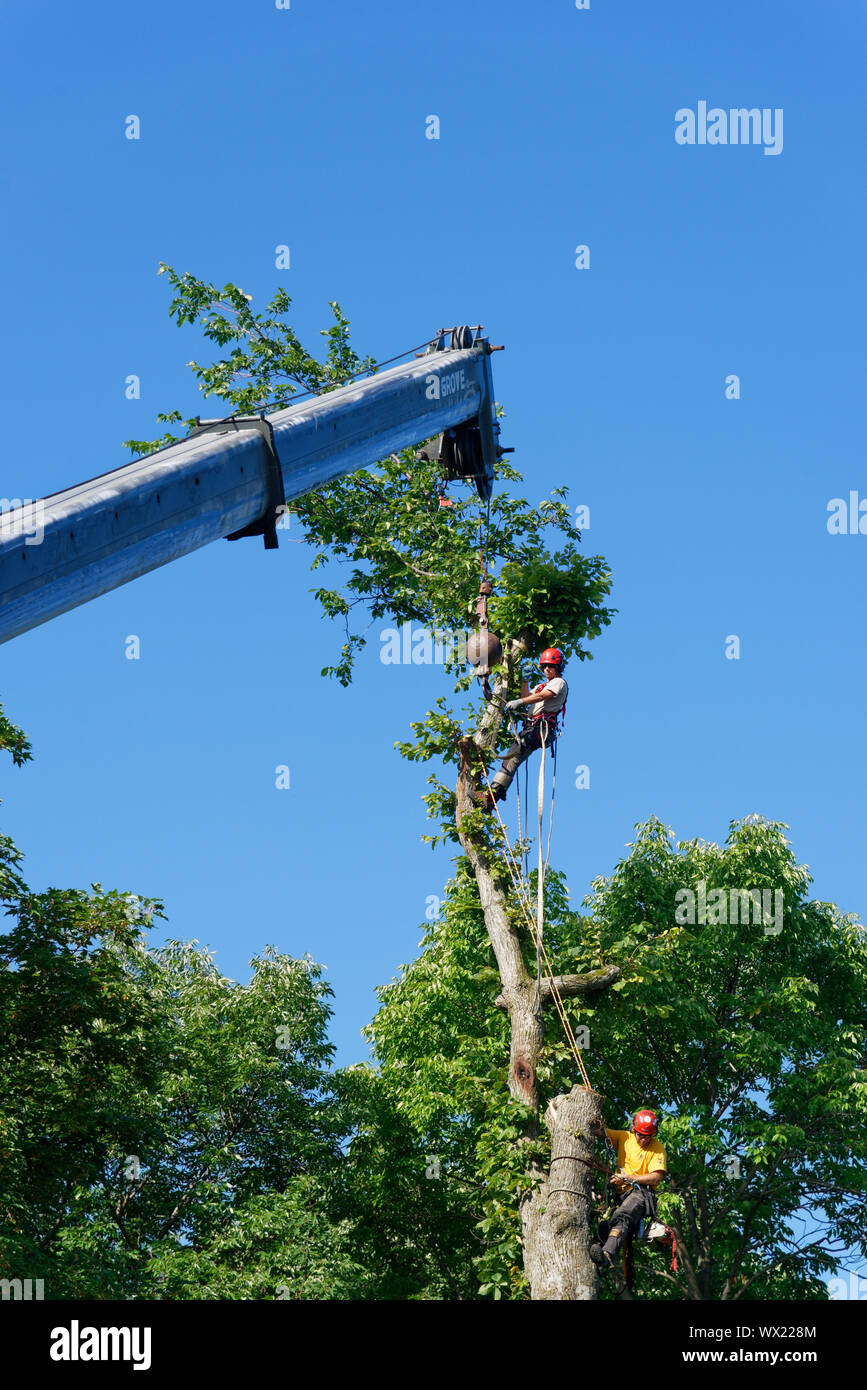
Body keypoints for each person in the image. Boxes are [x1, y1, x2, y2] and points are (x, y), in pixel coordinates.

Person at [477, 648, 568, 810]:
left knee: (513, 758)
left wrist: (519, 702)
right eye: (545, 666)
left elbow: (541, 697)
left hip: (540, 729)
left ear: (558, 667)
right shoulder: (541, 685)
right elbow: (529, 697)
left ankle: (491, 797)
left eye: (551, 666)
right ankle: (493, 794)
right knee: (509, 759)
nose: (547, 669)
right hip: (531, 728)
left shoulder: (559, 683)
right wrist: (525, 682)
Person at [590, 1109, 666, 1276]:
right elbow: (600, 1133)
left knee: (622, 1216)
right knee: (604, 1222)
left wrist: (628, 1178)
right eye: (641, 1135)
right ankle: (596, 1256)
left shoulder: (657, 1148)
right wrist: (589, 1126)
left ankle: (607, 1255)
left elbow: (656, 1178)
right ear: (634, 1130)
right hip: (620, 1194)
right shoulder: (624, 1137)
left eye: (648, 1136)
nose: (644, 1139)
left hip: (642, 1194)